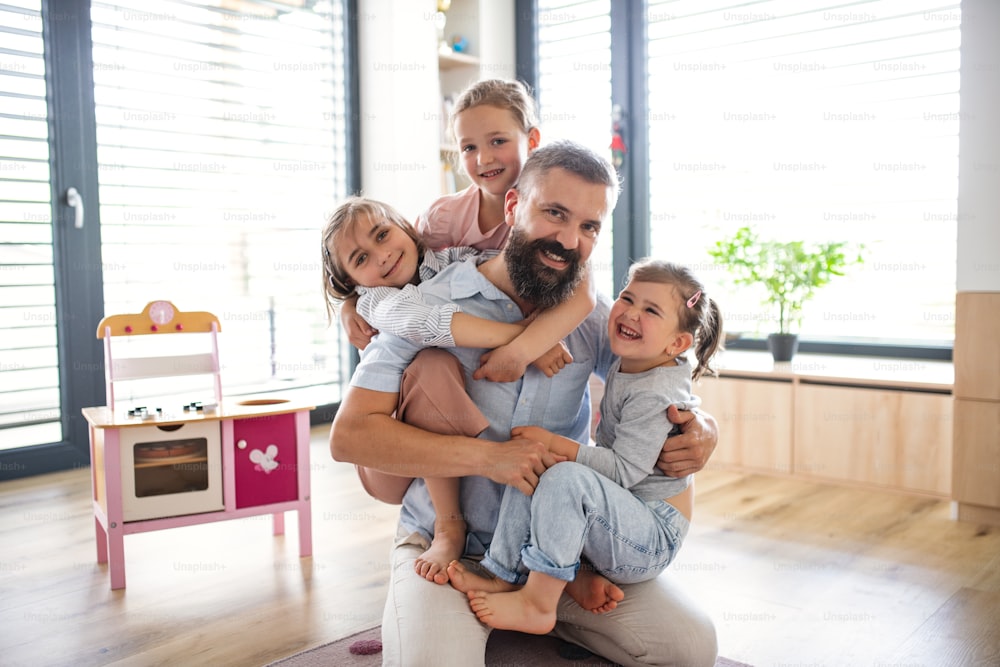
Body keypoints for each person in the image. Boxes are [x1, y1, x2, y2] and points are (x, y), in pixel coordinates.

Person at [330, 140, 720, 667]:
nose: (568, 240)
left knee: (690, 647)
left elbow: (661, 380)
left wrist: (704, 426)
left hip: (557, 547)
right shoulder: (426, 306)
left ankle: (539, 602)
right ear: (513, 207)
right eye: (554, 213)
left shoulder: (600, 319)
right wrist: (491, 459)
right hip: (451, 548)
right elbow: (350, 436)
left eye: (589, 227)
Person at [320, 195, 591, 583]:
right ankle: (449, 528)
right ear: (352, 282)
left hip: (440, 425)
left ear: (408, 230)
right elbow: (427, 322)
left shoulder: (454, 262)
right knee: (432, 364)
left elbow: (505, 265)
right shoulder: (378, 300)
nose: (380, 256)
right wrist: (527, 343)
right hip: (387, 459)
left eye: (383, 235)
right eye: (360, 260)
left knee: (439, 368)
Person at [446, 258, 724, 636]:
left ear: (677, 343)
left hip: (651, 535)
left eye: (651, 310)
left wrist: (554, 443)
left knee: (561, 474)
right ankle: (504, 574)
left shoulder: (655, 393)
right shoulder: (635, 360)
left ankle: (538, 604)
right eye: (628, 298)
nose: (630, 313)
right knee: (529, 462)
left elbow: (625, 471)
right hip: (623, 514)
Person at [338, 80, 595, 384]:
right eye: (469, 147)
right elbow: (396, 265)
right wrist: (350, 303)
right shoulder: (444, 217)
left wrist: (522, 351)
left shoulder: (555, 213)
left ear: (532, 140)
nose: (483, 159)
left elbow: (584, 295)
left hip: (540, 337)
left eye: (498, 141)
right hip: (471, 341)